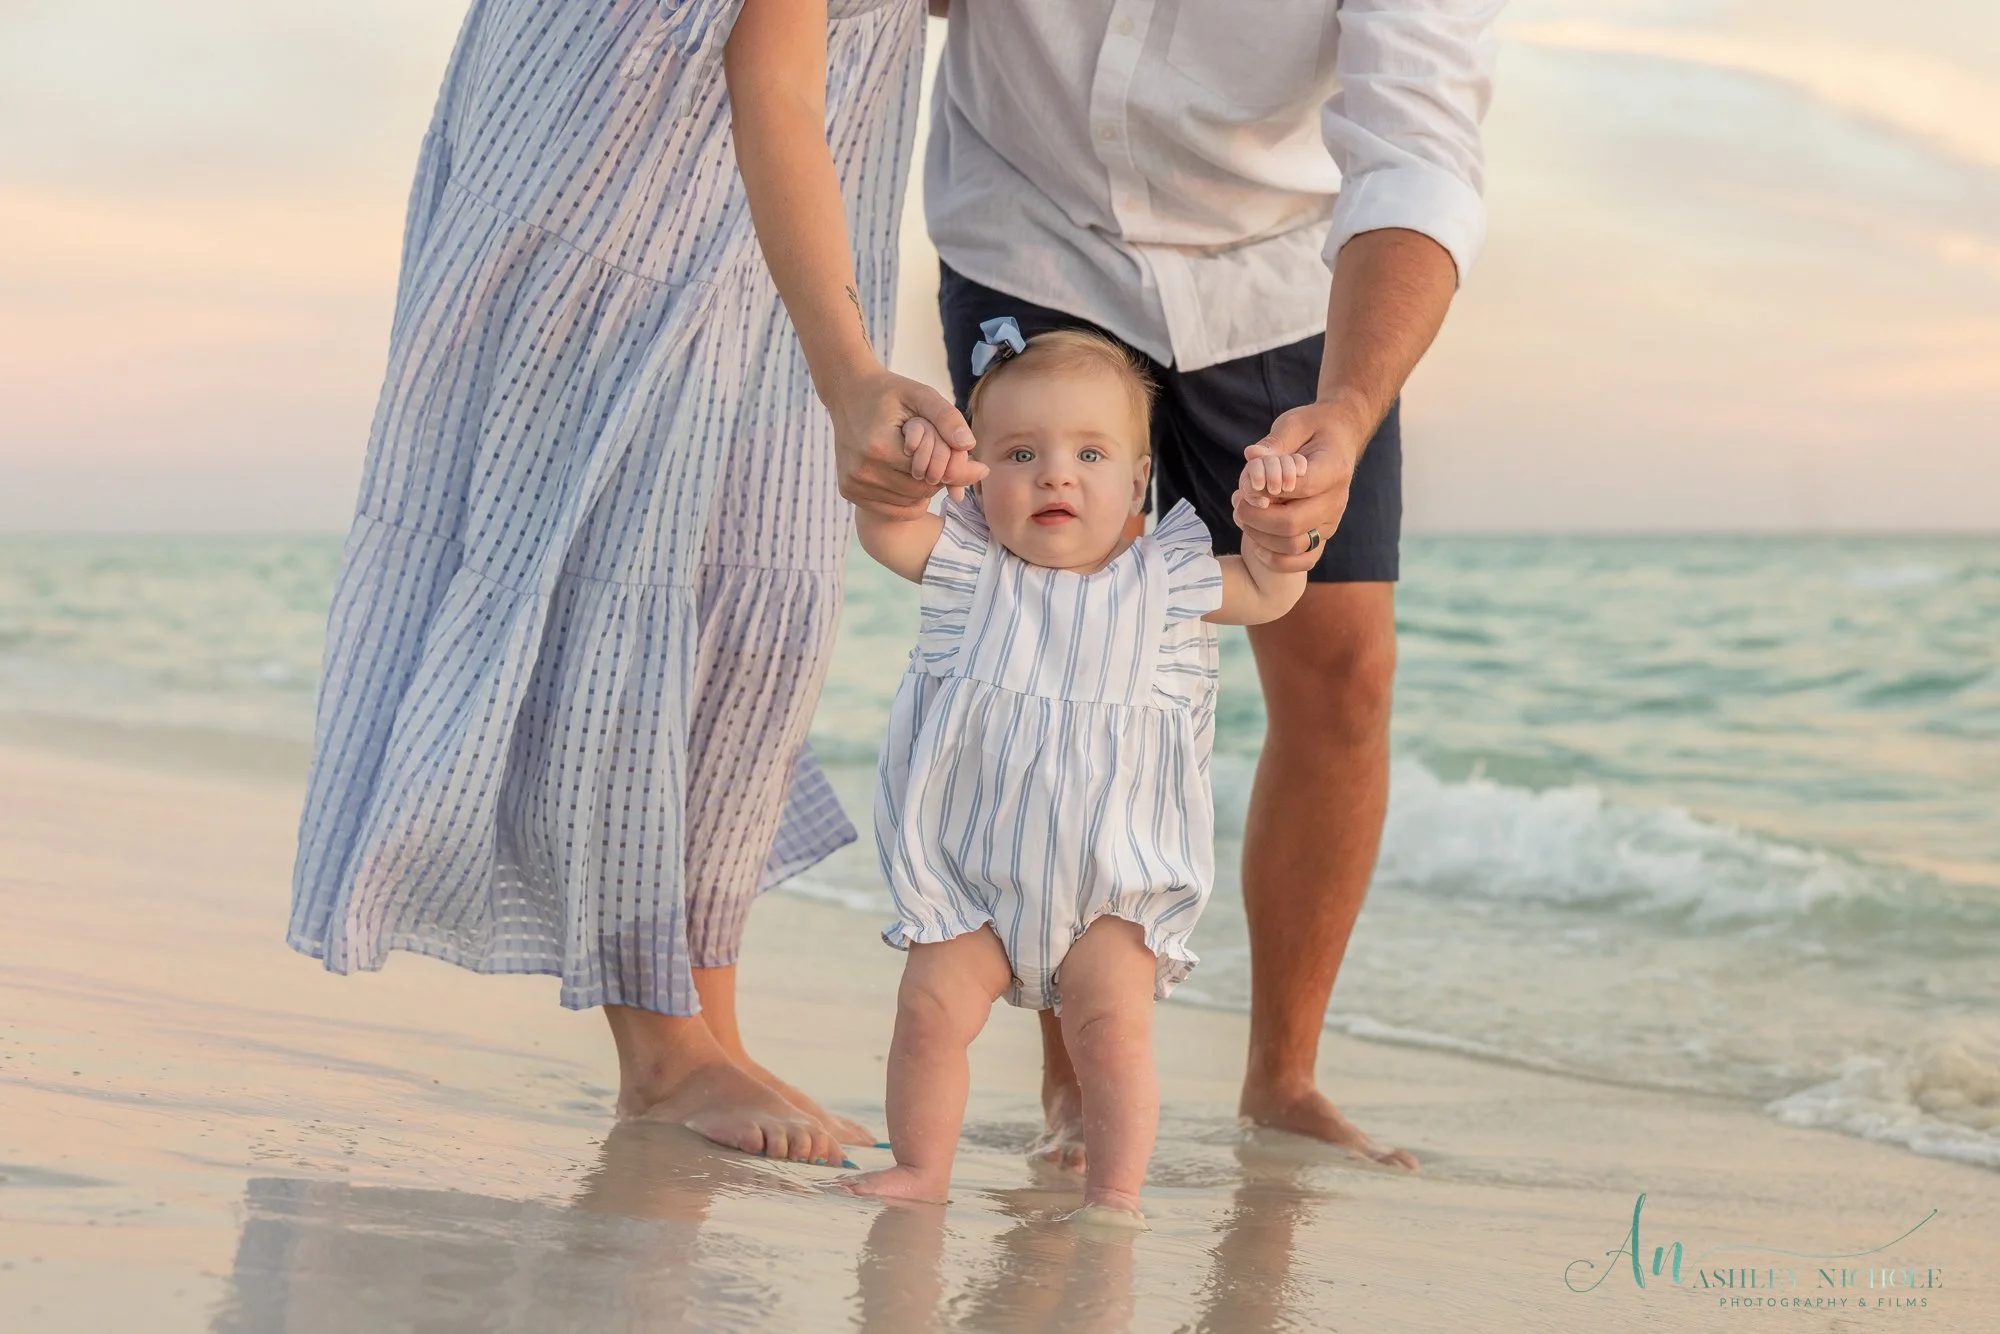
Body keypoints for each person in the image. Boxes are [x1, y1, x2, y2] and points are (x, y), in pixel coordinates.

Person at [287, 0, 980, 1168]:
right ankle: (662, 1047)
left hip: (811, 109)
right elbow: (766, 71)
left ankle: (702, 1014)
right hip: (634, 113)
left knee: (767, 576)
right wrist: (852, 369)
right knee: (624, 557)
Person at [925, 0, 1502, 1170]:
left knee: (1342, 670)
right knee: (1060, 637)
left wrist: (1344, 411)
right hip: (1033, 228)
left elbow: (1418, 152)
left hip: (1281, 276)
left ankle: (1282, 1080)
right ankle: (1075, 1082)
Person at [841, 325, 1307, 1217]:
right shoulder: (970, 570)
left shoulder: (1167, 583)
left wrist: (1280, 540)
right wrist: (905, 472)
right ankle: (921, 1171)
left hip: (1111, 893)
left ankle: (1115, 1190)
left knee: (1112, 1035)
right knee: (930, 1018)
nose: (1056, 474)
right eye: (1021, 452)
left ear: (1138, 482)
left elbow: (1268, 590)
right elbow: (889, 530)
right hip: (971, 885)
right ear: (977, 476)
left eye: (1089, 452)